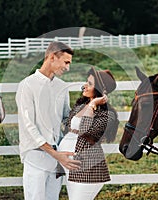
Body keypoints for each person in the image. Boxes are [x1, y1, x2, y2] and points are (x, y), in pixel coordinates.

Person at [15, 41, 81, 200]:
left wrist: (90, 105)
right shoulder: (27, 85)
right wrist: (54, 154)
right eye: (66, 62)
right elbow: (28, 126)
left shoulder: (62, 87)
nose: (67, 67)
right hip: (35, 156)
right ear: (52, 57)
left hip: (57, 158)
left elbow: (67, 118)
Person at [58, 66, 119, 200]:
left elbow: (84, 130)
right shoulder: (81, 105)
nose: (84, 86)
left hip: (87, 169)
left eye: (90, 84)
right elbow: (69, 126)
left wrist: (92, 105)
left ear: (101, 90)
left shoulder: (107, 115)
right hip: (71, 167)